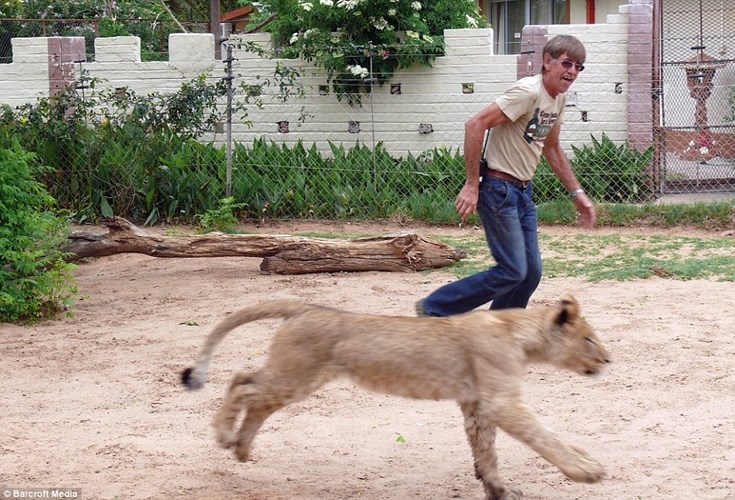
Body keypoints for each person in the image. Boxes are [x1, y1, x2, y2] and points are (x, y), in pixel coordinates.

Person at [416, 34, 596, 317]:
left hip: (523, 193)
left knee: (530, 273)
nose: (572, 71)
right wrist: (471, 185)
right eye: (567, 63)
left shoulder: (556, 100)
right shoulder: (528, 92)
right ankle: (435, 307)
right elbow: (475, 125)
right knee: (512, 270)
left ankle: (498, 331)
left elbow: (551, 147)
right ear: (547, 62)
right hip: (499, 190)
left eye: (578, 67)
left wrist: (578, 194)